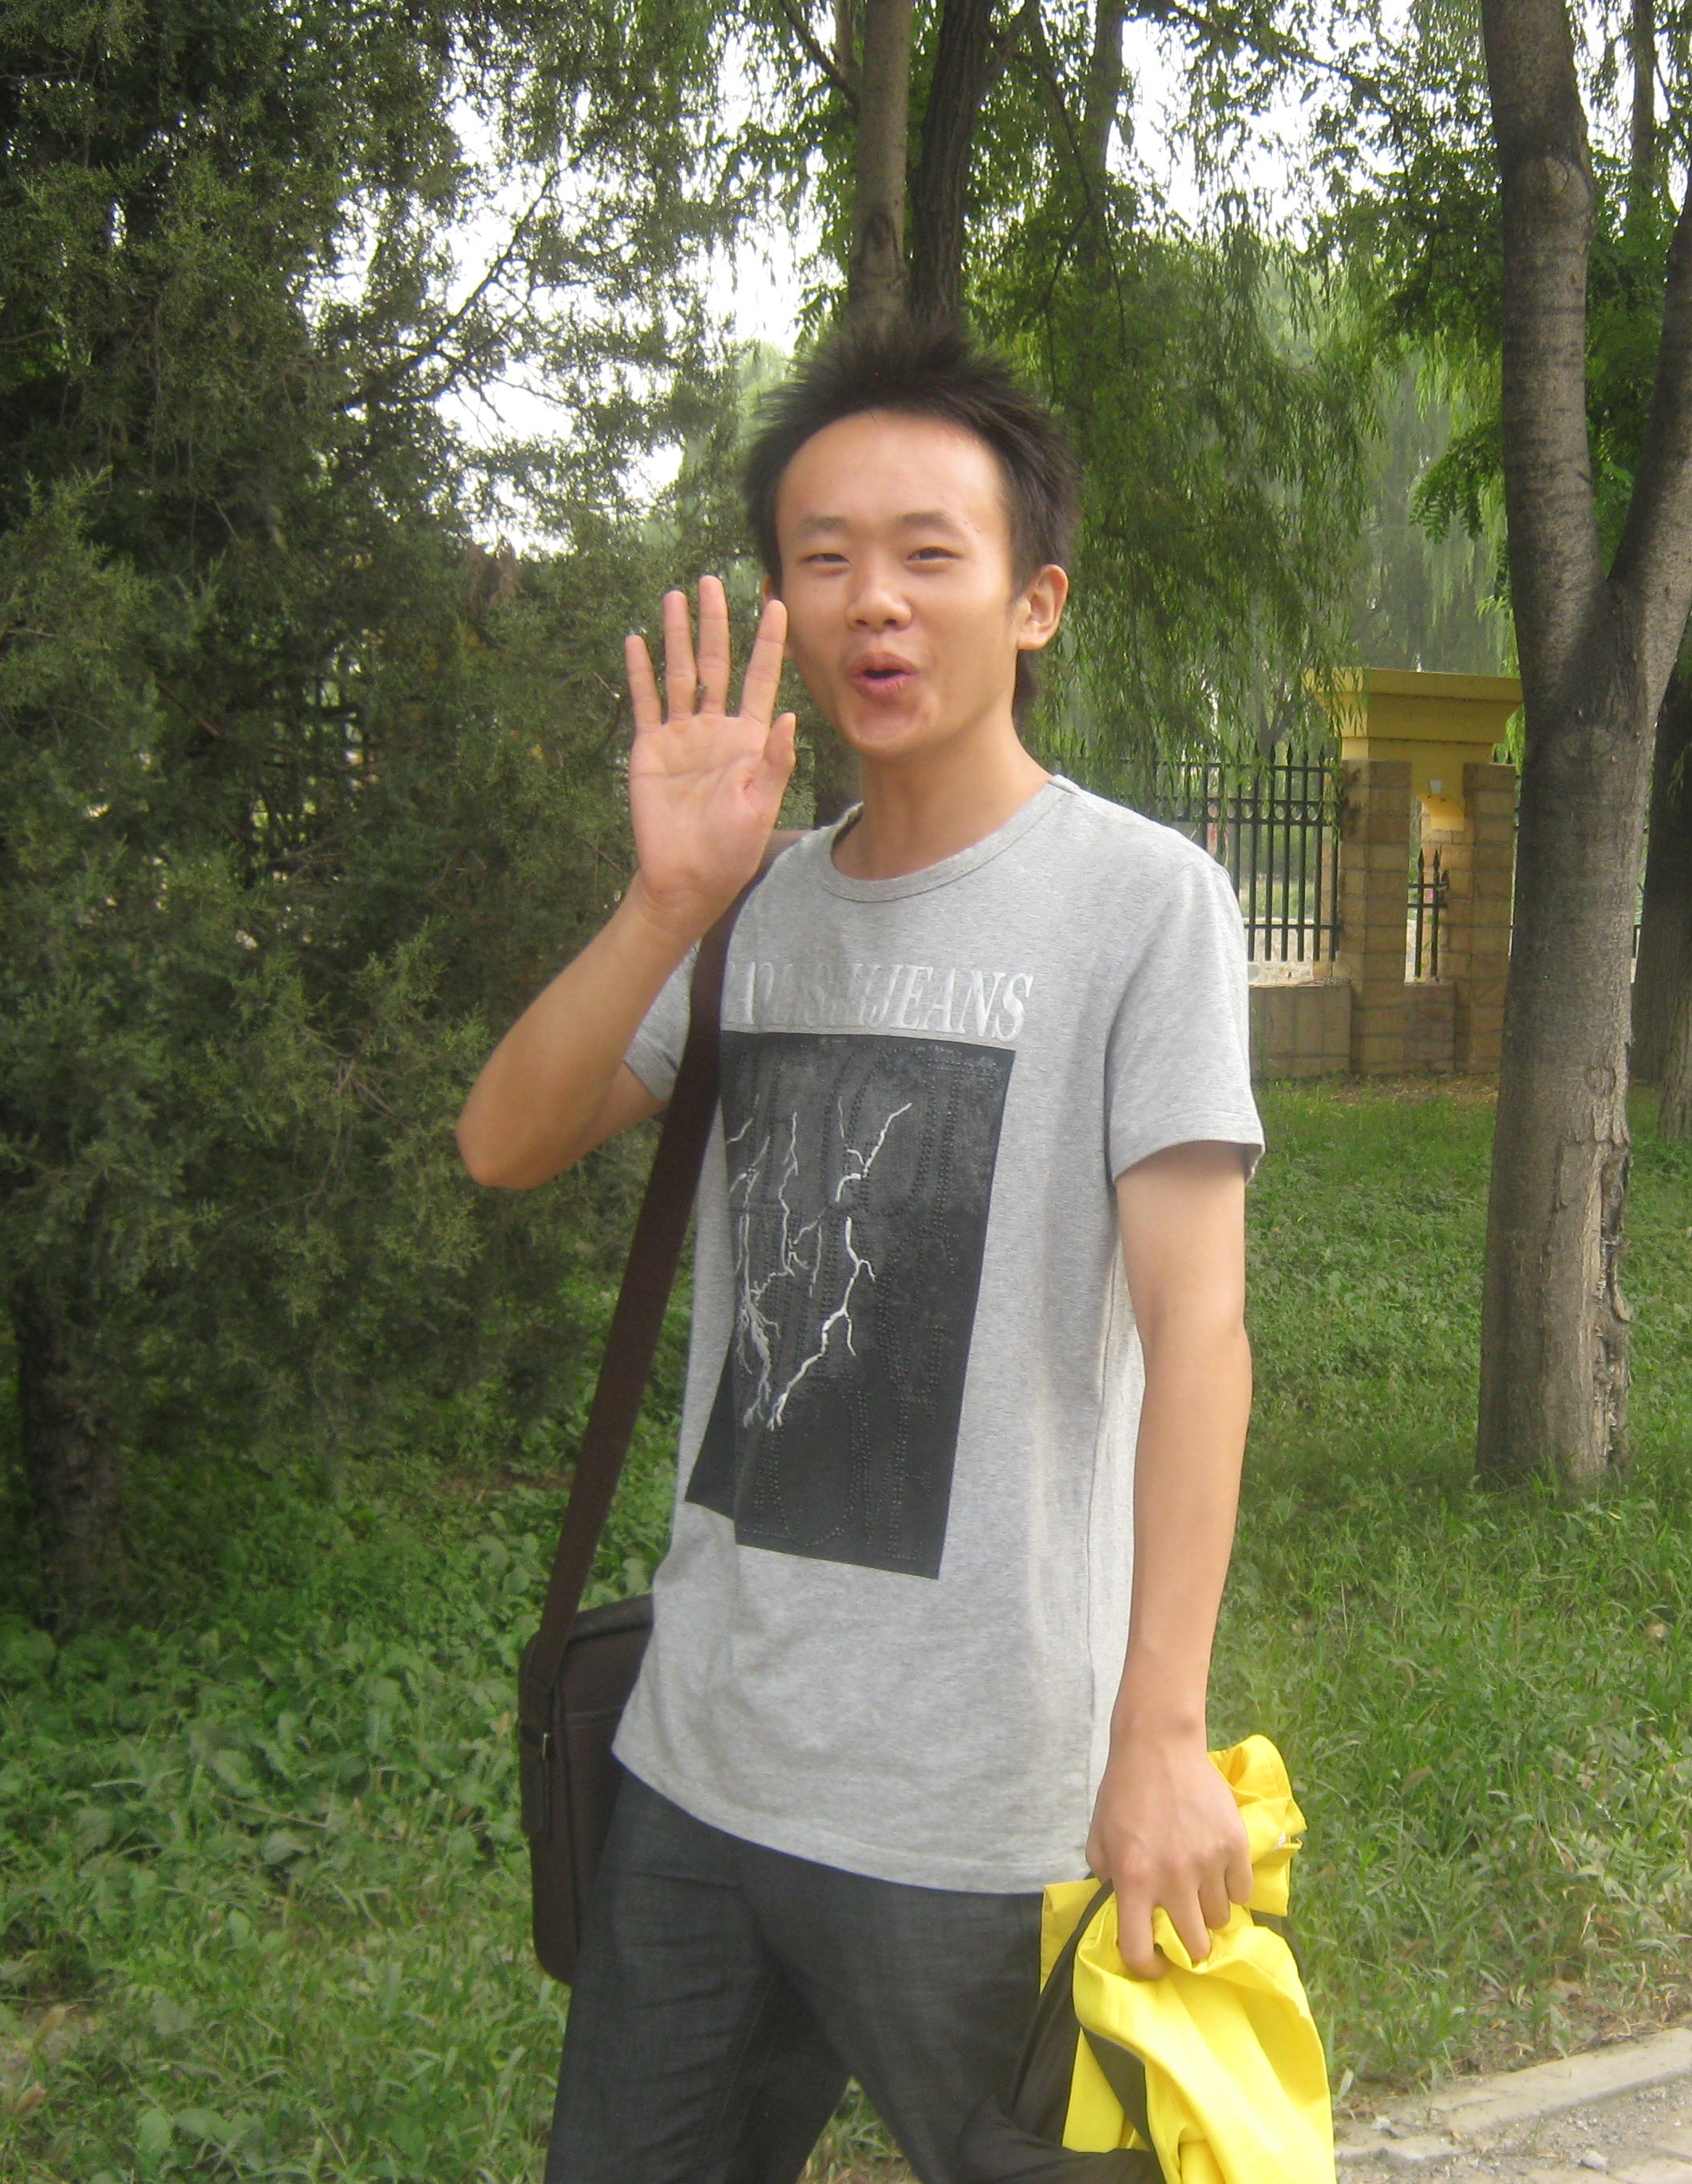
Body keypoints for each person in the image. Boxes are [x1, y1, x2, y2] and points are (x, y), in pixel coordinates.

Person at [456, 323, 1265, 2184]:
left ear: (1034, 601)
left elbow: (1199, 1328)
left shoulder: (1142, 906)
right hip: (703, 1763)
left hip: (981, 1804)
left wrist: (1161, 1732)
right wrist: (669, 899)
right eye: (823, 559)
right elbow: (502, 1141)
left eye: (927, 554)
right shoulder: (754, 909)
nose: (872, 603)